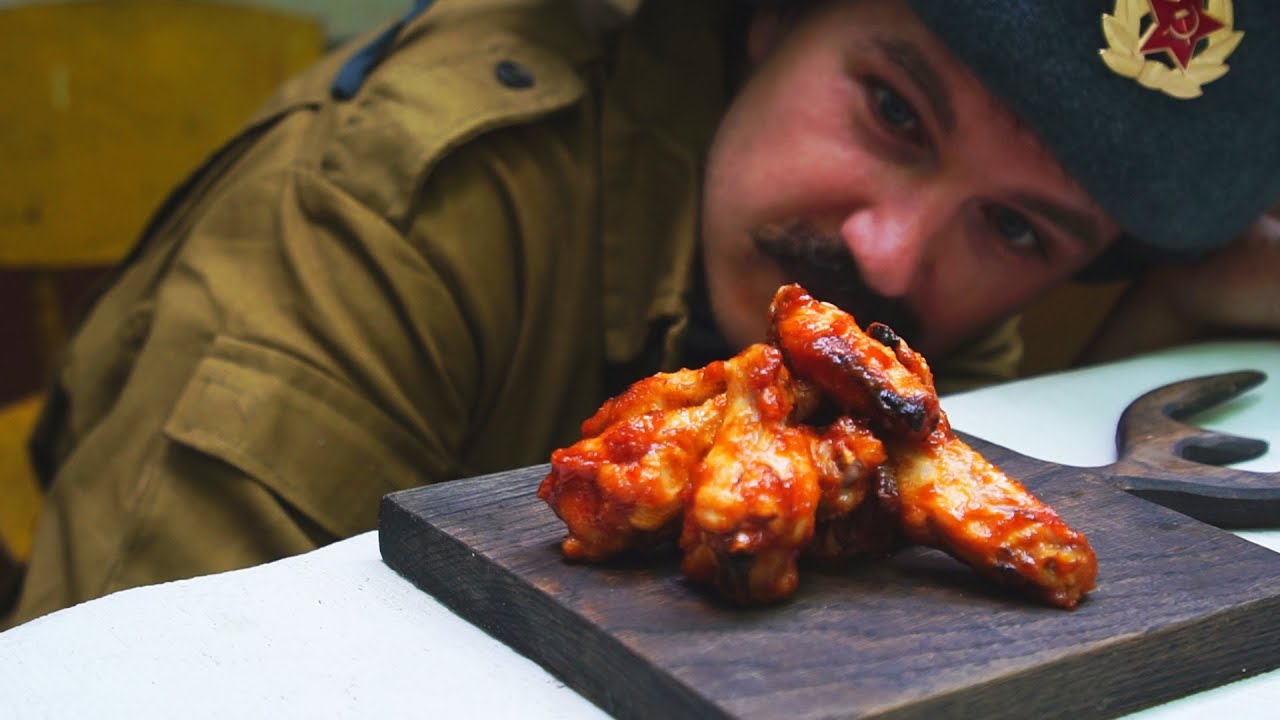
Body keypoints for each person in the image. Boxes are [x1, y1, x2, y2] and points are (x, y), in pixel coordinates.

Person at [7, 0, 1279, 626]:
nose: (886, 251)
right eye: (893, 110)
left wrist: (1174, 303)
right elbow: (133, 667)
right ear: (770, 17)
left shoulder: (869, 324)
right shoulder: (400, 220)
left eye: (1014, 228)